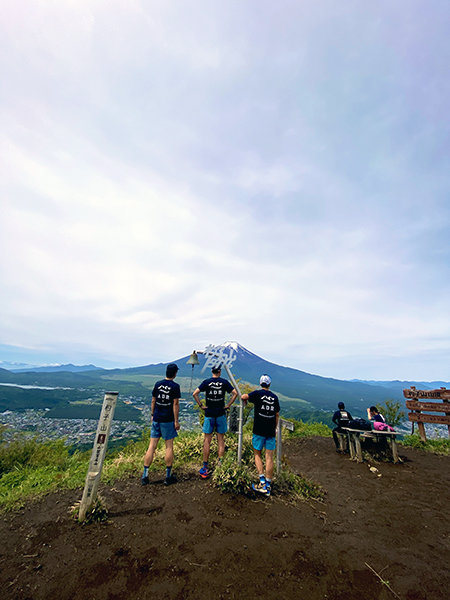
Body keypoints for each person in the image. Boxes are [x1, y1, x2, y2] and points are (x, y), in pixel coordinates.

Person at [193, 365, 238, 478]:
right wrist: (228, 405)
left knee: (207, 440)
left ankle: (205, 467)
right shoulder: (224, 382)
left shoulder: (206, 382)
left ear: (212, 371)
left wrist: (201, 405)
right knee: (220, 440)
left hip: (209, 414)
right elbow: (235, 393)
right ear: (220, 372)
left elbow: (195, 393)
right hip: (220, 413)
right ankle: (220, 465)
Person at [141, 363, 180, 486]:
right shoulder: (175, 386)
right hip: (168, 420)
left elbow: (153, 400)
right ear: (175, 373)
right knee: (169, 446)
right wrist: (176, 421)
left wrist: (152, 414)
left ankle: (145, 475)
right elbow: (175, 404)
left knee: (152, 446)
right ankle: (168, 477)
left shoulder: (158, 384)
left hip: (157, 418)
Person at [241, 374, 280, 497]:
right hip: (270, 431)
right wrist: (275, 428)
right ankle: (268, 485)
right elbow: (277, 414)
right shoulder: (274, 397)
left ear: (260, 383)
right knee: (269, 457)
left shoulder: (257, 394)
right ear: (269, 384)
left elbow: (244, 396)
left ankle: (262, 481)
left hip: (258, 430)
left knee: (257, 454)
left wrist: (246, 399)